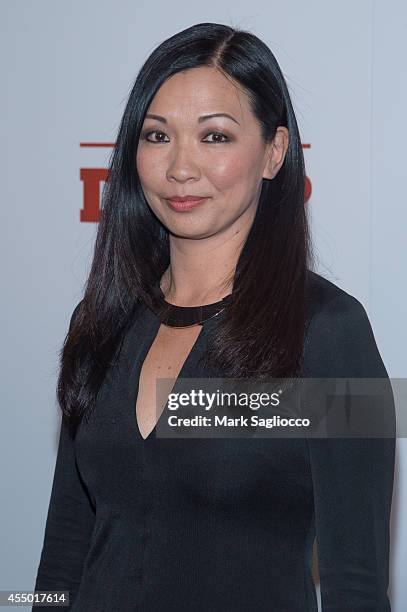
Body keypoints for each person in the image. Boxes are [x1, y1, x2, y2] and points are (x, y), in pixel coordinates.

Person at [32, 22, 395, 611]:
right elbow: (65, 549)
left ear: (274, 152)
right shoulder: (101, 321)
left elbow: (357, 586)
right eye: (157, 136)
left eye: (216, 137)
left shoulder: (329, 329)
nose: (180, 168)